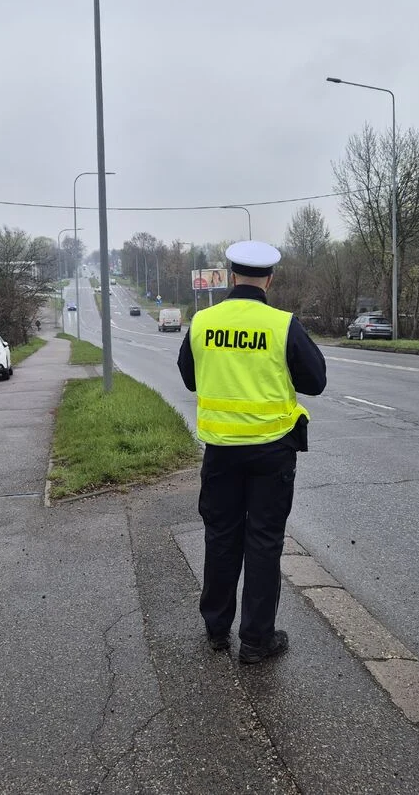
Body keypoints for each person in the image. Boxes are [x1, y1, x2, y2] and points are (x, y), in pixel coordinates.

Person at [177, 240, 327, 664]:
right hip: (271, 452)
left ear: (229, 275)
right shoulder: (282, 325)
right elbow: (315, 382)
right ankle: (257, 642)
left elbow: (189, 378)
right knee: (263, 542)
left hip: (221, 452)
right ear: (269, 279)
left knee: (221, 538)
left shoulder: (204, 322)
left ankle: (216, 629)